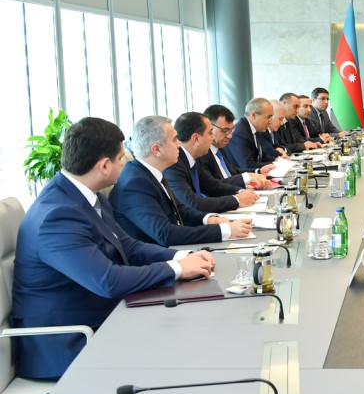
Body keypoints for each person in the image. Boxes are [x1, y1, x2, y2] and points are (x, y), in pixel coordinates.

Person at [11, 117, 215, 380]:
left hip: (101, 317)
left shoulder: (85, 195)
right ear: (104, 165)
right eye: (121, 158)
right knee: (181, 349)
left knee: (188, 325)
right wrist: (177, 269)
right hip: (69, 342)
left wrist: (183, 256)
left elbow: (127, 246)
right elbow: (108, 280)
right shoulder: (57, 216)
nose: (125, 164)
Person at [110, 115, 252, 247]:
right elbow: (166, 234)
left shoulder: (150, 172)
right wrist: (224, 231)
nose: (179, 144)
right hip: (156, 257)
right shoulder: (135, 184)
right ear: (156, 149)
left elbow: (180, 209)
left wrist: (209, 219)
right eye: (175, 140)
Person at [163, 111, 260, 213]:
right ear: (196, 139)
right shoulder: (174, 164)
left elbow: (212, 186)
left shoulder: (193, 158)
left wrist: (240, 191)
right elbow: (193, 203)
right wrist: (237, 200)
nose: (213, 137)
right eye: (210, 133)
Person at [199, 104, 273, 188]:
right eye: (225, 130)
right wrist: (245, 182)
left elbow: (231, 171)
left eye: (231, 130)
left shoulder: (219, 148)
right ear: (209, 128)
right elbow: (213, 186)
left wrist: (258, 171)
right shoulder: (202, 154)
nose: (230, 136)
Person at [227, 97, 275, 170]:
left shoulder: (257, 129)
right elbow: (248, 166)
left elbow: (262, 157)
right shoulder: (240, 133)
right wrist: (274, 164)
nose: (270, 122)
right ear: (254, 115)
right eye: (268, 117)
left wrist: (276, 161)